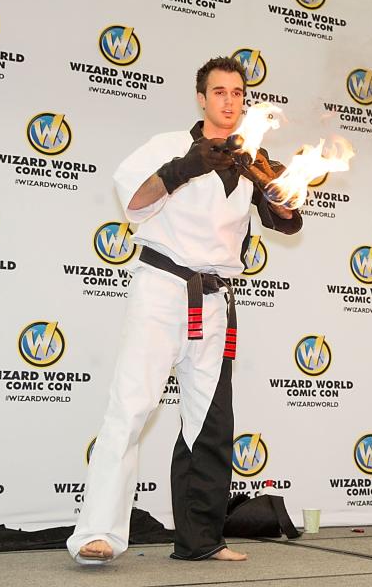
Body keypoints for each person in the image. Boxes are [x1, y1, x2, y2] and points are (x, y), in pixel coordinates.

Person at [66, 56, 302, 564]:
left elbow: (287, 218)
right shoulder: (170, 145)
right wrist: (186, 167)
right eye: (219, 92)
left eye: (238, 93)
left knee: (210, 421)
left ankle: (200, 539)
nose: (230, 101)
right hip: (162, 288)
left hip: (215, 299)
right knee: (130, 407)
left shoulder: (251, 157)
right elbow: (133, 199)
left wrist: (274, 183)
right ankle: (96, 532)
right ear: (201, 98)